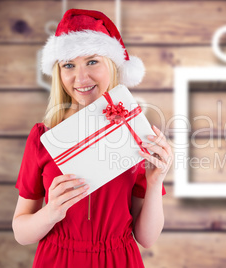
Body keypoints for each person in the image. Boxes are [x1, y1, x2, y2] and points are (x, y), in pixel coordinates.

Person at [12, 9, 172, 267]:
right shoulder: (43, 137)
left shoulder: (137, 134)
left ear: (112, 64)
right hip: (57, 259)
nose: (81, 77)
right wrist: (51, 213)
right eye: (69, 65)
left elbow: (147, 238)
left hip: (118, 259)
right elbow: (21, 232)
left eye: (92, 61)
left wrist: (155, 184)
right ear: (59, 73)